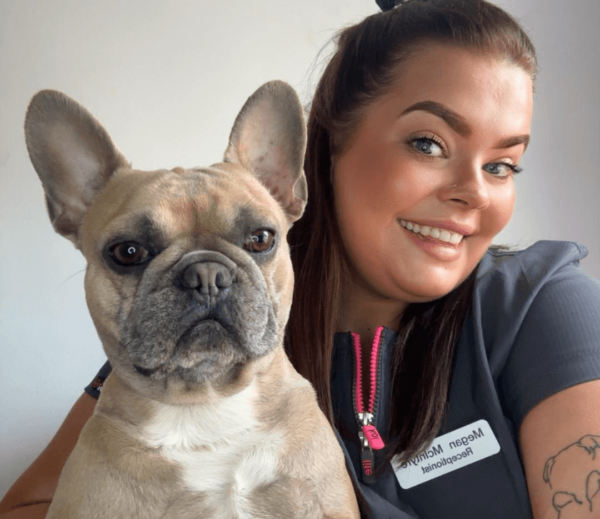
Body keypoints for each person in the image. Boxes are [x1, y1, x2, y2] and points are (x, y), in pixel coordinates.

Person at [2, 0, 600, 517]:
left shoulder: (544, 305)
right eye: (429, 143)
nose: (473, 190)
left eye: (502, 163)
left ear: (283, 185)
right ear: (327, 147)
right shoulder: (172, 351)